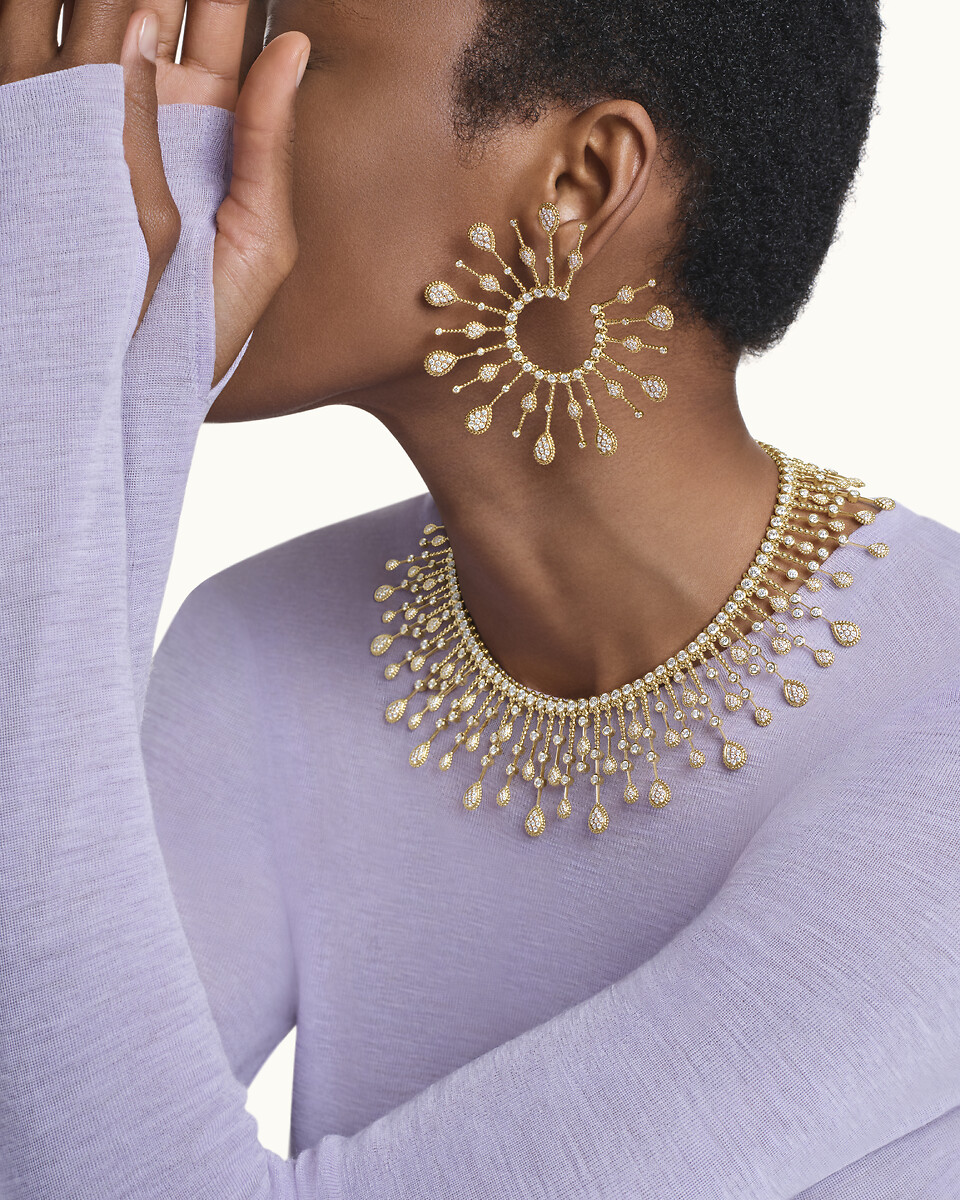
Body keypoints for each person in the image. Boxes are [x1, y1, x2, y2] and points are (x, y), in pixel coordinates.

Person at [1, 1, 958, 1197]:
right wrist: (97, 393)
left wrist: (52, 365)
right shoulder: (256, 648)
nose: (165, 123)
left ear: (577, 182)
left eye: (282, 54)